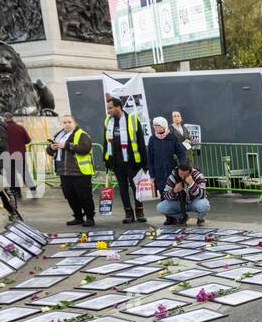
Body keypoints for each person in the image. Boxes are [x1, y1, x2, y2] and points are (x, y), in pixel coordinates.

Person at [103, 96, 149, 224]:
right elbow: (105, 142)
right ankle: (128, 213)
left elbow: (140, 141)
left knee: (136, 188)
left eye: (110, 108)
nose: (108, 111)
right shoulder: (108, 121)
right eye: (108, 108)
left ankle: (139, 212)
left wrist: (145, 163)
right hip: (117, 162)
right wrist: (106, 160)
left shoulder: (133, 120)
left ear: (118, 107)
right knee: (123, 188)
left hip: (132, 162)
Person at [46, 113, 95, 227]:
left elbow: (85, 149)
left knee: (84, 196)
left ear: (75, 123)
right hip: (64, 172)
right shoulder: (58, 135)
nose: (67, 124)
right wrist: (51, 148)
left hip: (79, 172)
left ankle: (90, 218)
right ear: (61, 124)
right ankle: (78, 217)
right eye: (64, 122)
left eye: (69, 122)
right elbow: (49, 151)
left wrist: (67, 145)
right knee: (70, 196)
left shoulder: (82, 134)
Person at [146, 116, 188, 222]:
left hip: (172, 172)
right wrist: (152, 174)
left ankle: (181, 215)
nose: (155, 127)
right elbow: (150, 158)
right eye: (154, 125)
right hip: (159, 172)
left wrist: (182, 166)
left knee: (177, 194)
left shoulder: (172, 138)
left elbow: (181, 153)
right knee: (163, 195)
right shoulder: (152, 139)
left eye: (157, 125)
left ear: (163, 126)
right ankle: (169, 218)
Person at [157, 162, 210, 226]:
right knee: (161, 207)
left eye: (185, 175)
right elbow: (165, 195)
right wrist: (174, 191)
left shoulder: (198, 175)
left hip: (194, 202)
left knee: (205, 205)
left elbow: (202, 195)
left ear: (190, 173)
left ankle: (200, 219)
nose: (182, 177)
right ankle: (181, 217)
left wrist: (192, 184)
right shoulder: (173, 177)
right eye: (180, 174)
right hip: (179, 202)